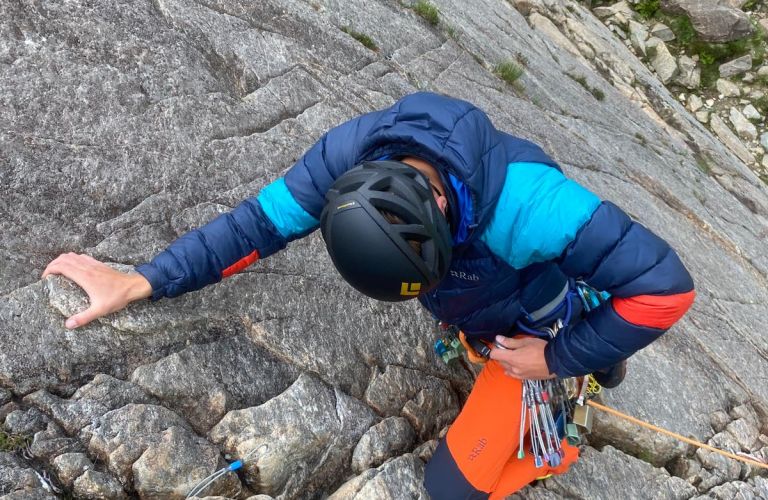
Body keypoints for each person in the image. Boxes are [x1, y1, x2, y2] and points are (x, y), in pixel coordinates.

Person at [43, 92, 695, 498]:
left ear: (443, 209)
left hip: (537, 322)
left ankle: (585, 381)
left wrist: (553, 360)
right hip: (480, 308)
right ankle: (578, 356)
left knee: (450, 488)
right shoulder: (345, 160)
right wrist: (142, 280)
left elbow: (664, 290)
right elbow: (254, 228)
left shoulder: (531, 206)